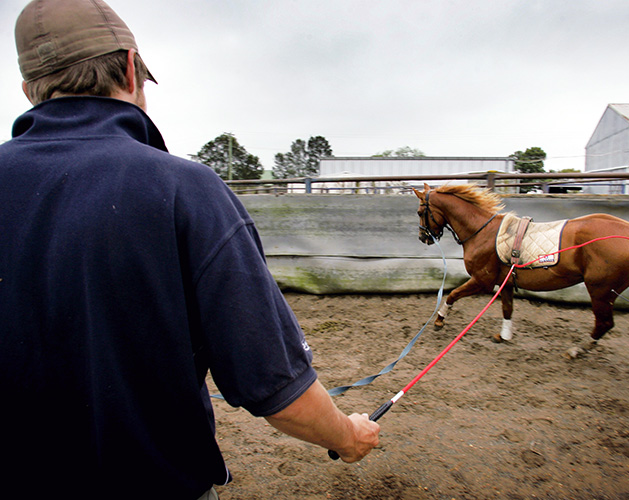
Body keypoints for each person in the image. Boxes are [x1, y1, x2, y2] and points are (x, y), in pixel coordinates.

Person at [0, 0, 379, 498]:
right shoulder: (184, 189)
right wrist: (348, 436)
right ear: (132, 66)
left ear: (29, 91)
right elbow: (277, 388)